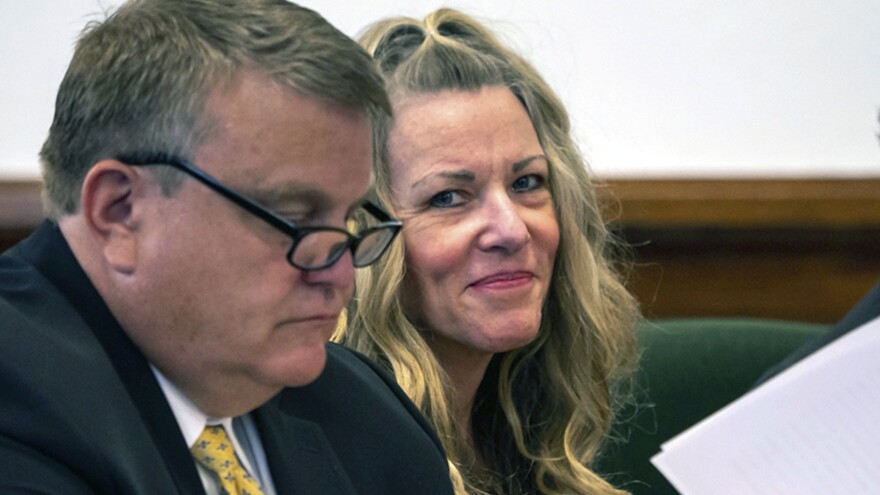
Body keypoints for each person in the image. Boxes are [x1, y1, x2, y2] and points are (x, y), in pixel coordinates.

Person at [0, 1, 456, 494]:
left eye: (346, 221)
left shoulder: (366, 412)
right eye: (295, 221)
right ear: (120, 211)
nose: (341, 275)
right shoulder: (17, 402)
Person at [334, 8, 641, 495]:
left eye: (527, 183)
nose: (512, 230)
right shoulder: (333, 460)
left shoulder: (522, 444)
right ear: (360, 231)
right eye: (448, 198)